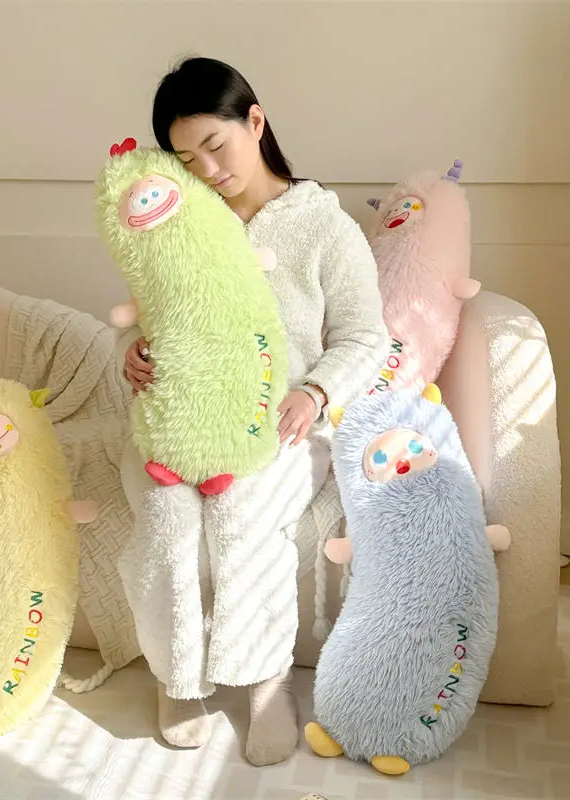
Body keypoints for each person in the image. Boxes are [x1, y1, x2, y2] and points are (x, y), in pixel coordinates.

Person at [115, 56, 387, 766]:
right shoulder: (176, 217)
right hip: (182, 416)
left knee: (241, 514)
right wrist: (132, 351)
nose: (207, 170)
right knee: (163, 516)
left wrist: (315, 391)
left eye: (216, 145)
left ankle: (267, 682)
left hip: (277, 422)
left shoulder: (324, 227)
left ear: (255, 122)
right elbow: (149, 311)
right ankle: (177, 676)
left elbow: (366, 336)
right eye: (186, 159)